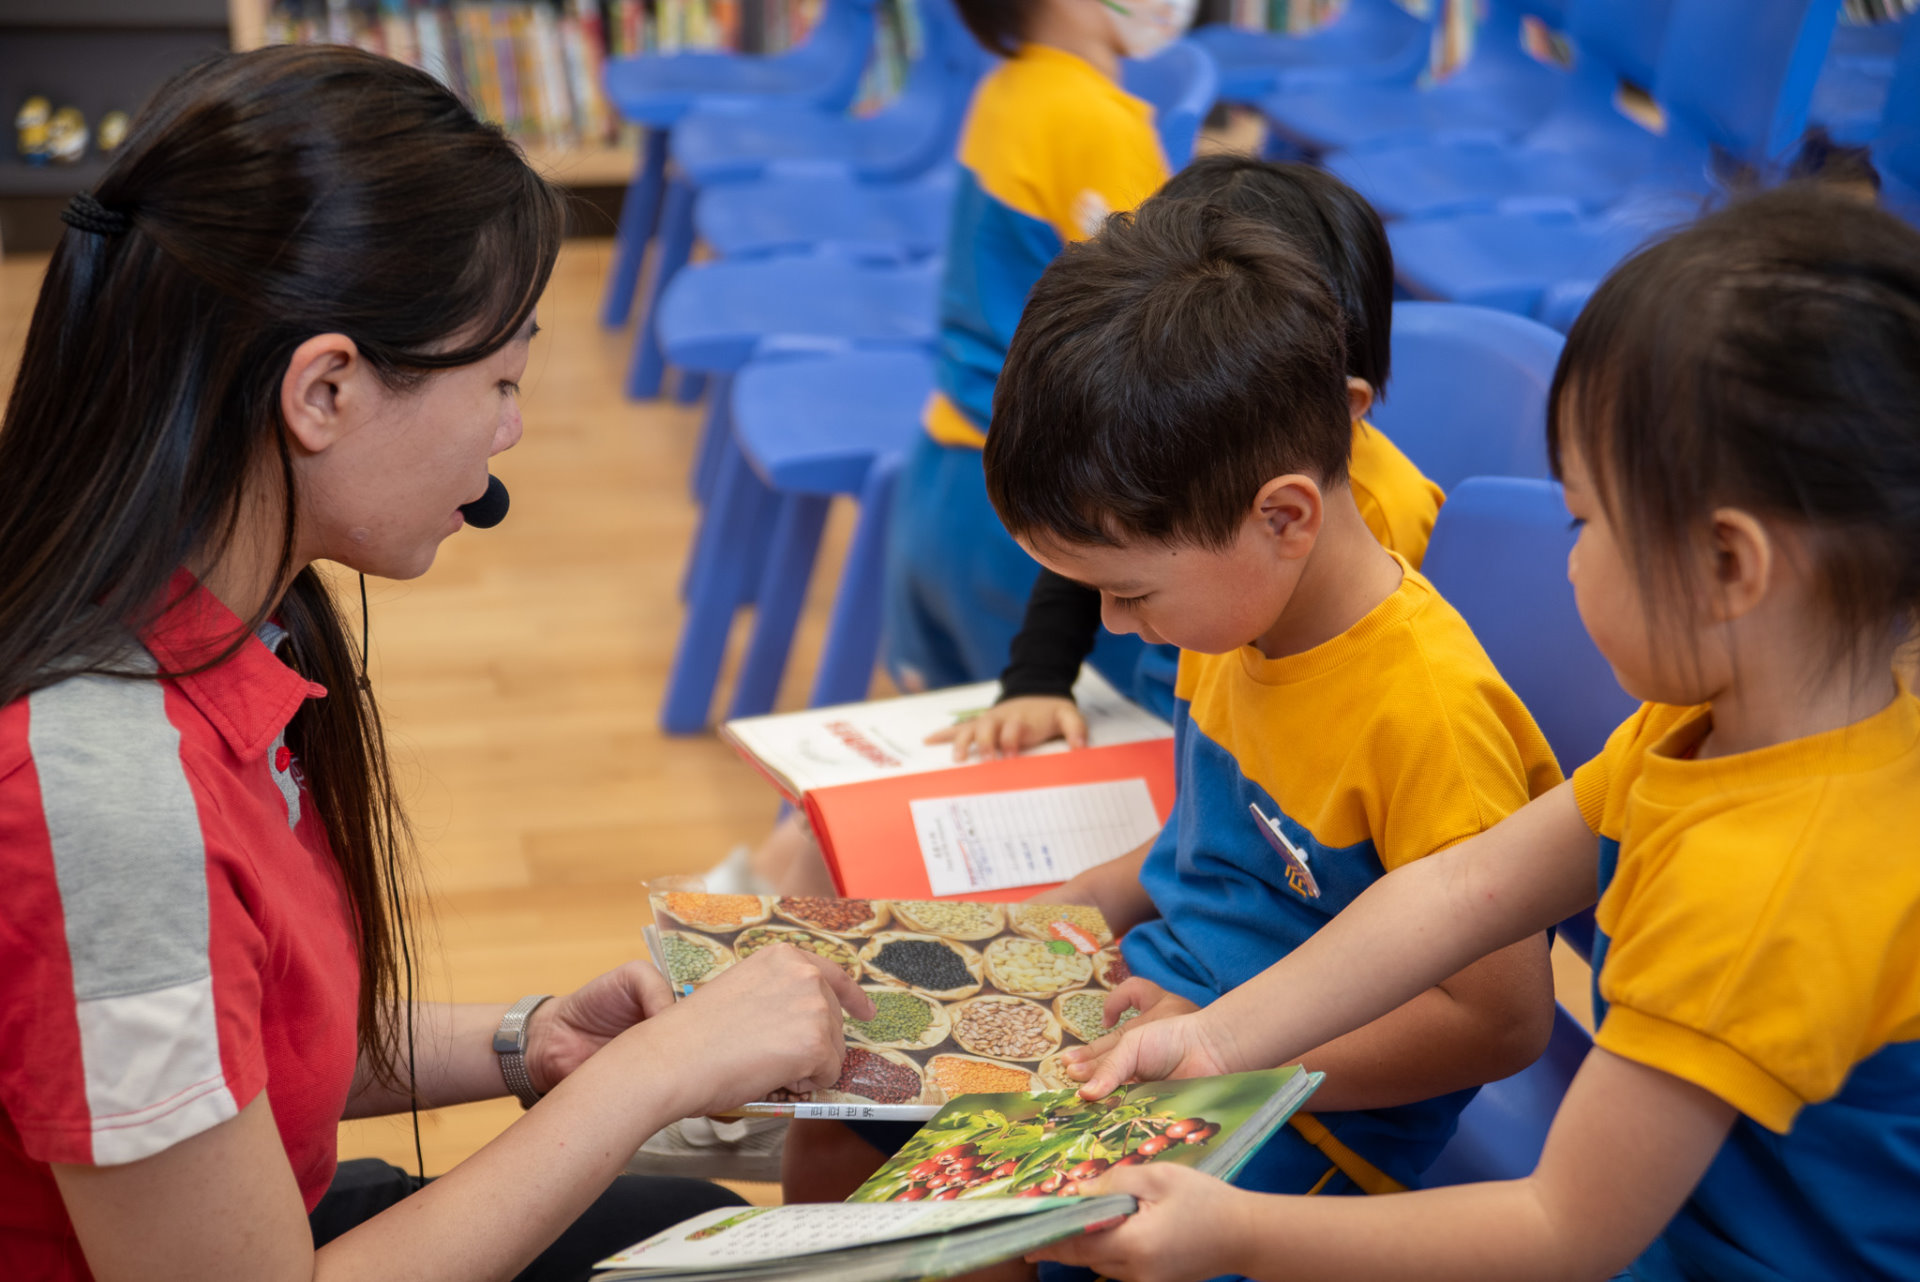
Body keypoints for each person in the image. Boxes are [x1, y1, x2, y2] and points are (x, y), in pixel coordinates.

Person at [0, 46, 871, 1282]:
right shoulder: (105, 802)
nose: (510, 431)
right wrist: (651, 1077)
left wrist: (532, 1041)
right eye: (500, 379)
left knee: (700, 1229)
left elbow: (239, 1045)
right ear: (325, 390)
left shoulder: (219, 617)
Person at [1036, 187, 1920, 1282]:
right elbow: (1463, 887)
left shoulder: (1761, 892)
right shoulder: (1712, 729)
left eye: (1587, 517)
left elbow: (1563, 1229)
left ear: (1730, 565)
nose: (1568, 557)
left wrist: (1238, 1230)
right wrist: (1217, 1041)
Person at [788, 193, 1564, 1229]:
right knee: (837, 1120)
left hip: (1306, 1119)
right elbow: (1203, 851)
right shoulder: (1239, 610)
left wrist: (1230, 1045)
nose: (1115, 625)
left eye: (1132, 593)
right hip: (1161, 1015)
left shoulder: (1426, 713)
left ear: (1283, 517)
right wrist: (1064, 909)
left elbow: (1501, 1026)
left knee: (979, 1226)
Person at [928, 155, 1443, 755]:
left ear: (1339, 402)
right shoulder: (1160, 484)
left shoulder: (1382, 526)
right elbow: (1095, 544)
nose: (1111, 611)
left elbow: (1358, 724)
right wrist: (1037, 678)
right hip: (1182, 723)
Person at [880, 0, 1191, 698]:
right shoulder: (1098, 123)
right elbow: (1162, 333)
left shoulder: (1008, 88)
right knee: (1097, 744)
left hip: (946, 476)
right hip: (1045, 514)